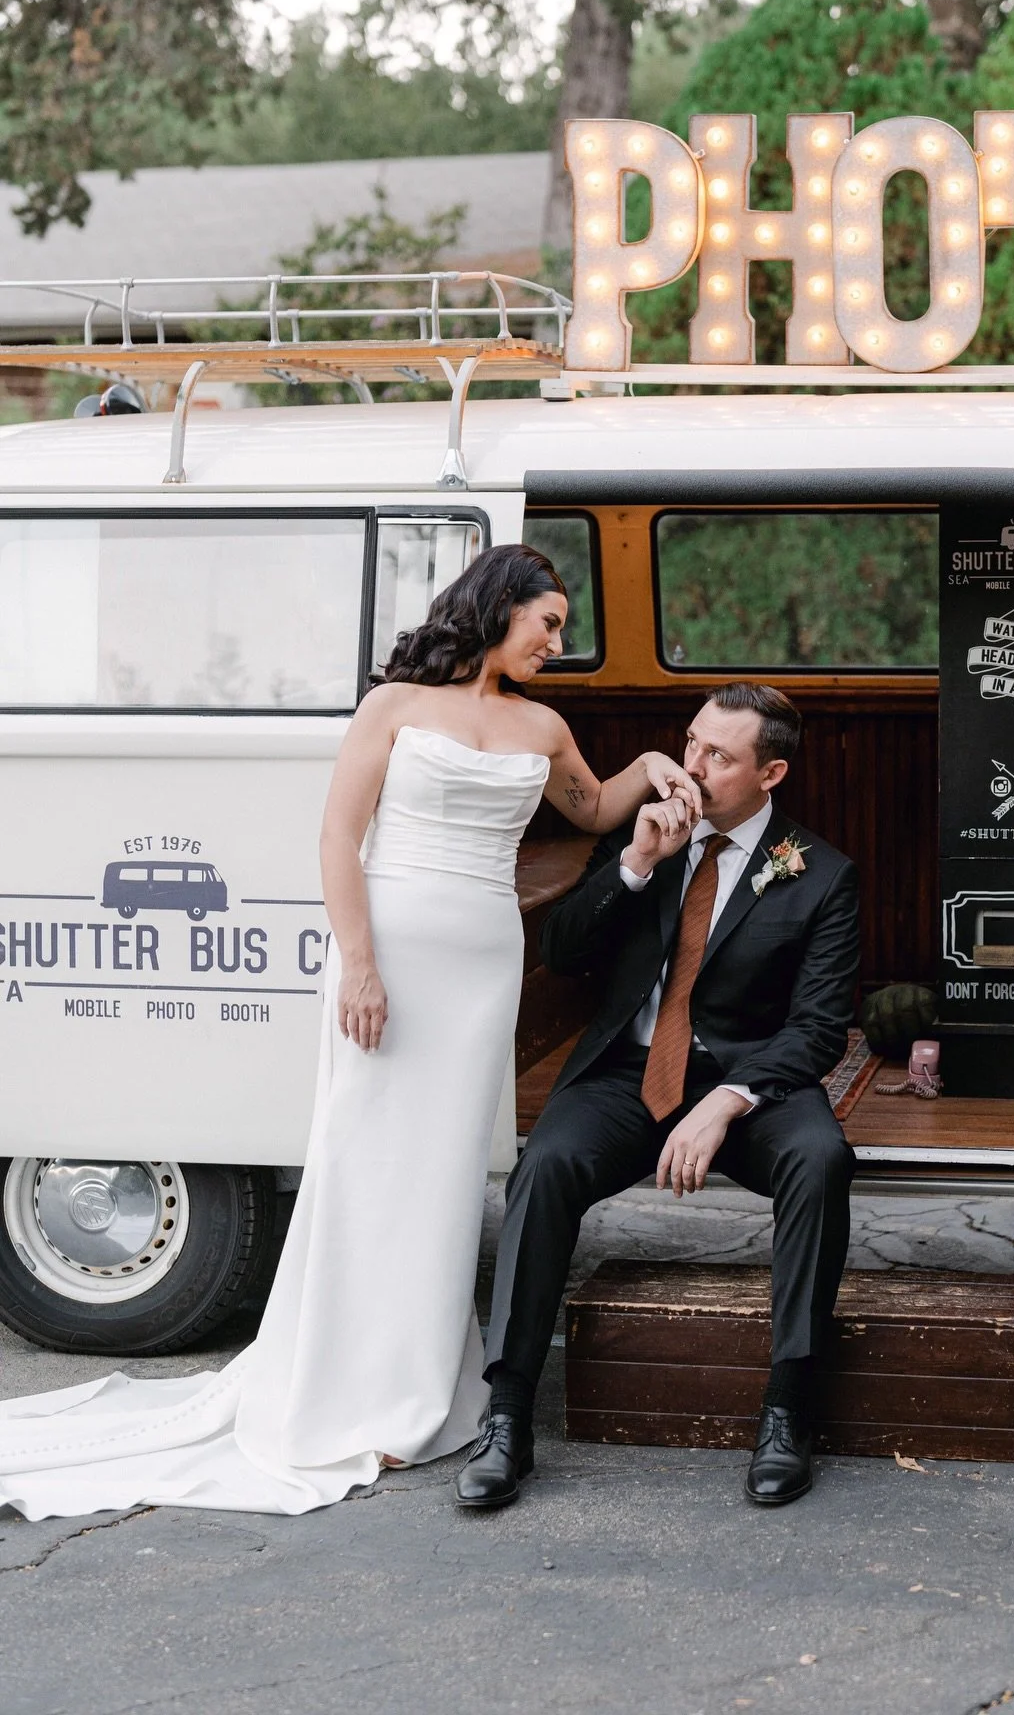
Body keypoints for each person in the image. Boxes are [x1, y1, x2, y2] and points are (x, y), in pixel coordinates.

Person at [0, 544, 700, 1518]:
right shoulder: (394, 709)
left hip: (483, 965)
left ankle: (416, 1386)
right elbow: (337, 836)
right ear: (500, 609)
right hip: (394, 953)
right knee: (367, 1156)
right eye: (549, 622)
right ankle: (340, 1384)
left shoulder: (545, 725)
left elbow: (593, 807)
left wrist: (655, 768)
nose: (558, 641)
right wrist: (360, 963)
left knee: (446, 1170)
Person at [463, 682, 861, 1512]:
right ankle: (507, 1419)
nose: (692, 766)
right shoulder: (652, 838)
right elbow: (565, 952)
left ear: (771, 772)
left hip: (747, 1082)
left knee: (821, 1159)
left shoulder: (821, 875)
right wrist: (637, 863)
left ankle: (788, 1410)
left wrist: (729, 1101)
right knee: (543, 1168)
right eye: (690, 744)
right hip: (628, 1074)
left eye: (719, 756)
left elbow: (820, 1029)